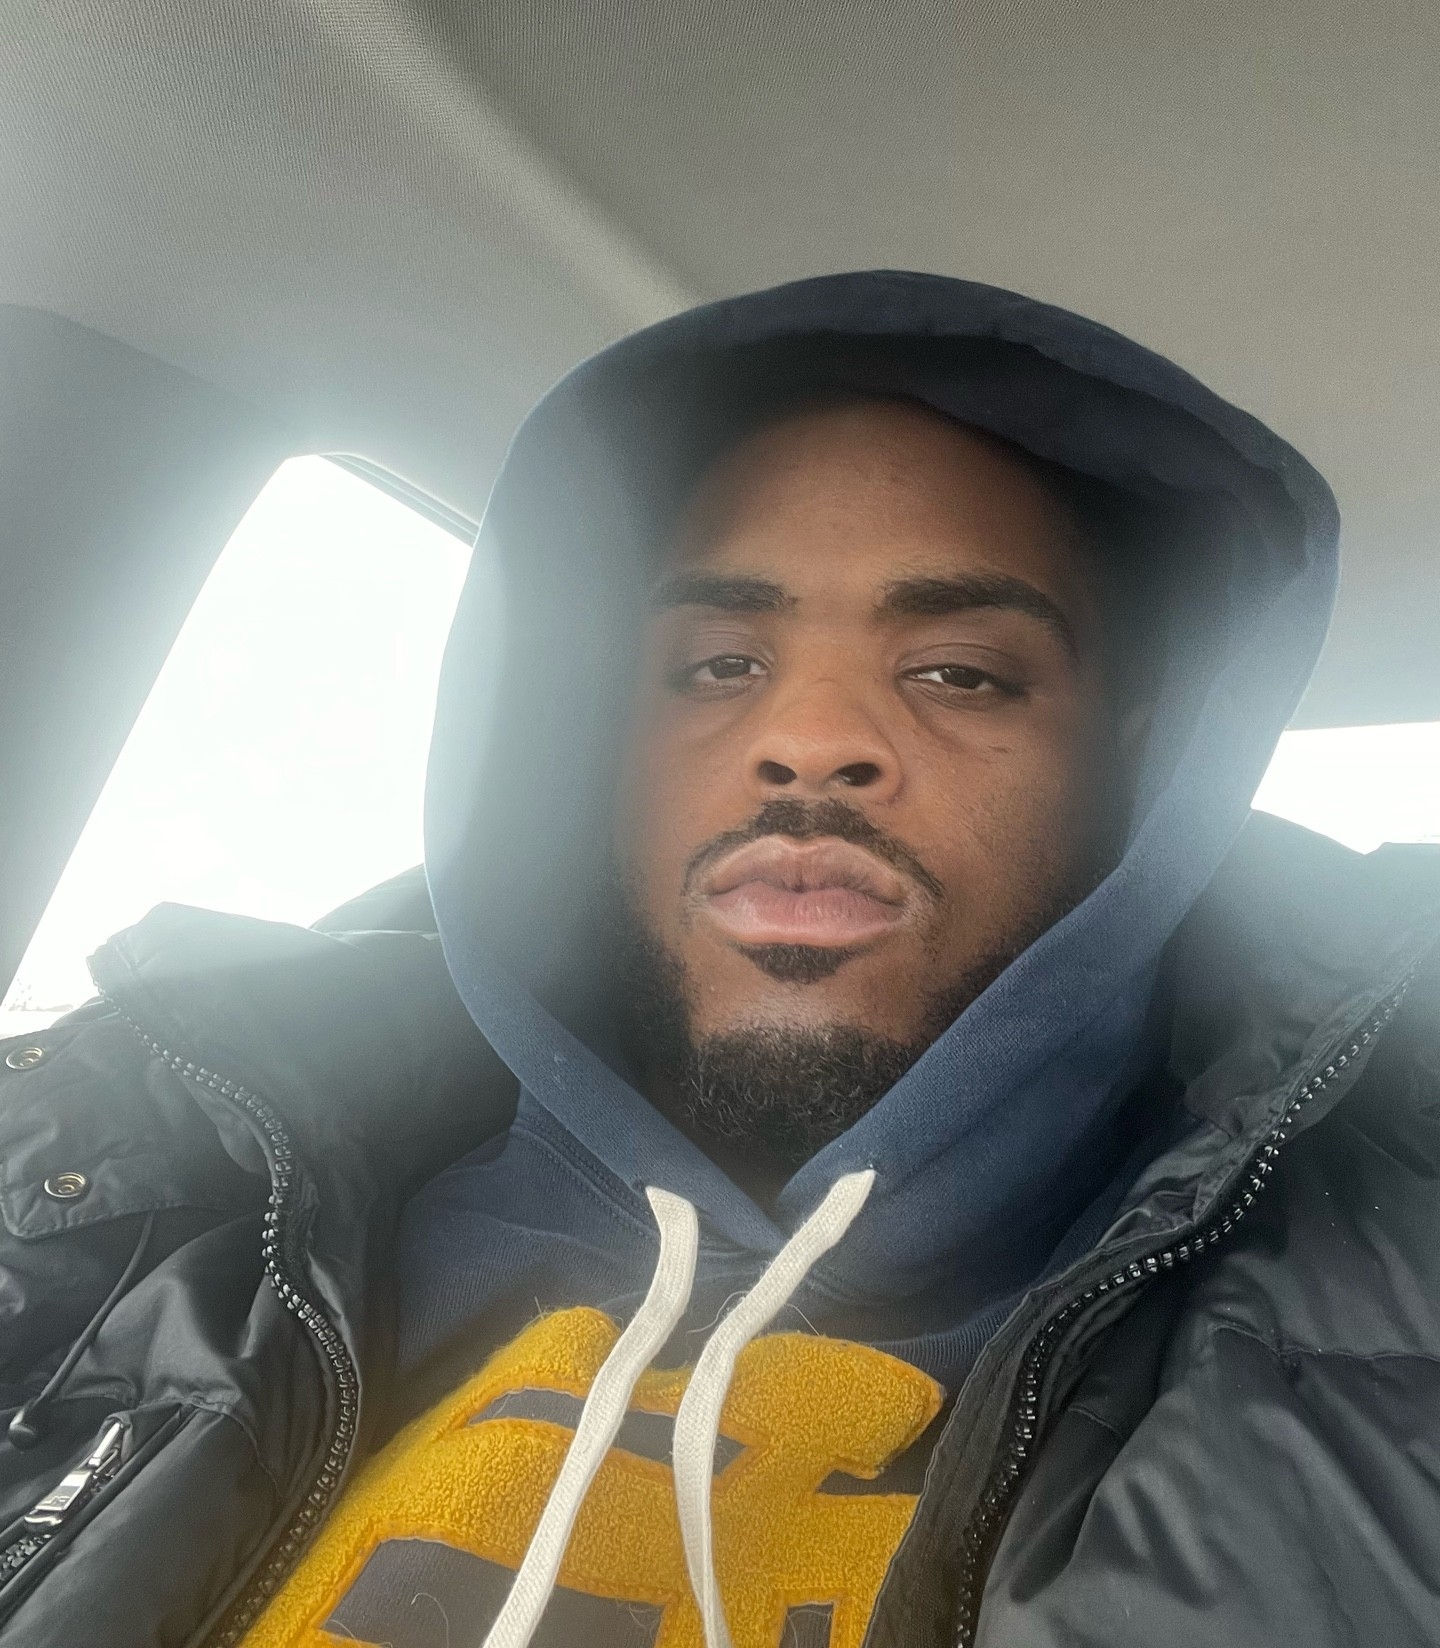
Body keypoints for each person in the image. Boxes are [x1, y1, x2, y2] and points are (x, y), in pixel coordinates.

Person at [2, 271, 1438, 1648]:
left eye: (959, 672)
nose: (811, 741)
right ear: (589, 744)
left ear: (1134, 771)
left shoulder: (1391, 1306)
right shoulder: (113, 1193)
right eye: (717, 667)